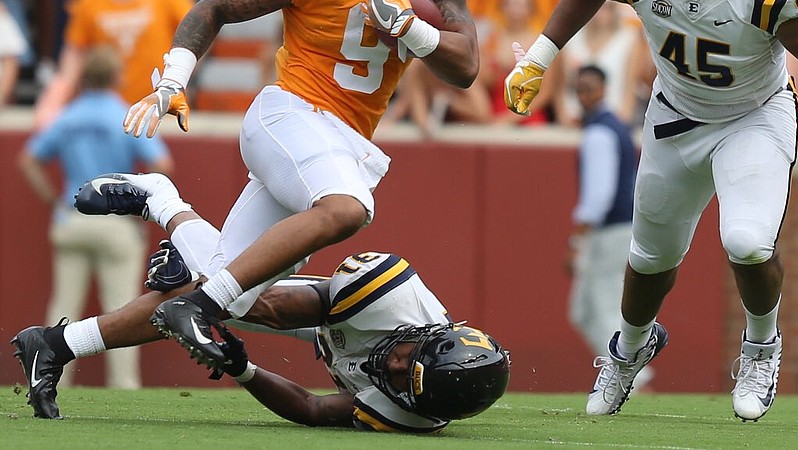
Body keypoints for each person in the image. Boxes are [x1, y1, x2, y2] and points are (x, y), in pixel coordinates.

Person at [120, 0, 478, 382]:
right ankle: (198, 307)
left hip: (341, 139)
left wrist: (411, 28)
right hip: (291, 113)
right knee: (348, 208)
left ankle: (60, 341)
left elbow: (466, 65)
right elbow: (214, 7)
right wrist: (173, 78)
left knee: (234, 285)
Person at [503, 0, 794, 421]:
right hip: (675, 111)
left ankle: (761, 346)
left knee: (746, 241)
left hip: (753, 115)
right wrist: (540, 57)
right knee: (649, 256)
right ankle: (630, 349)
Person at [12, 172, 509, 427]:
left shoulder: (414, 413)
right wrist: (209, 303)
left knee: (202, 298)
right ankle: (161, 200)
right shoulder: (392, 296)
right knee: (225, 298)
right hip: (340, 314)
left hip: (335, 337)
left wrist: (241, 369)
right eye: (407, 360)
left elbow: (314, 411)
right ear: (424, 335)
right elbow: (262, 305)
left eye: (405, 382)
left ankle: (54, 346)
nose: (395, 370)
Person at [17, 46, 173, 390]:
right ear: (115, 77)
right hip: (115, 222)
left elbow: (29, 160)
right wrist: (138, 208)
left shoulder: (70, 116)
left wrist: (54, 203)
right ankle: (124, 385)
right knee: (122, 308)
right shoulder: (123, 114)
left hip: (71, 219)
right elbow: (162, 163)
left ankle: (45, 378)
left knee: (64, 304)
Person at [34, 0, 195, 128]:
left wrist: (181, 76)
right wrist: (56, 96)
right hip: (106, 106)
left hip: (156, 103)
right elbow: (74, 53)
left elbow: (196, 32)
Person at [565, 65, 643, 388]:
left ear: (603, 89)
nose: (584, 96)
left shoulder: (600, 131)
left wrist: (576, 241)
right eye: (579, 89)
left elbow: (598, 195)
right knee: (584, 310)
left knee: (602, 305)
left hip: (611, 231)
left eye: (589, 89)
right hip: (620, 228)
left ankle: (632, 379)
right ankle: (630, 376)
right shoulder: (613, 127)